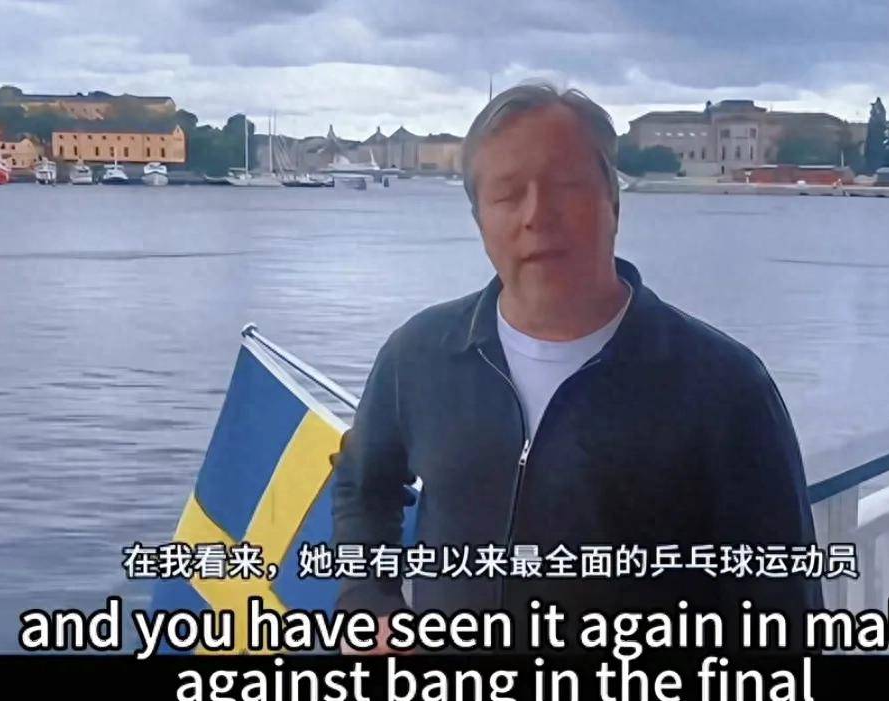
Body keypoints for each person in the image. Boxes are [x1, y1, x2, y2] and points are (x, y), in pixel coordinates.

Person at [331, 82, 823, 653]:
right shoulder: (418, 357)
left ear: (613, 202)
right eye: (508, 195)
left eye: (565, 186)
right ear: (480, 221)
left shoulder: (724, 388)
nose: (538, 215)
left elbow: (784, 612)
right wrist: (369, 604)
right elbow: (362, 485)